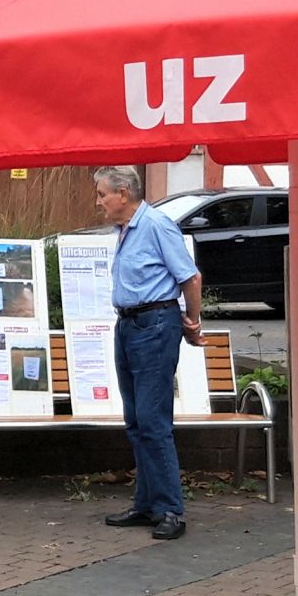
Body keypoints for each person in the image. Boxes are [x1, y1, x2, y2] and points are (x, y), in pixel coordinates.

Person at [94, 166, 205, 542]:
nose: (99, 201)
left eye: (103, 194)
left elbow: (190, 277)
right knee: (136, 420)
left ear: (123, 194)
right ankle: (146, 503)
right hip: (128, 324)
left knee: (153, 421)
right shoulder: (124, 231)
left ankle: (171, 509)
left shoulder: (156, 225)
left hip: (155, 324)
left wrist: (192, 321)